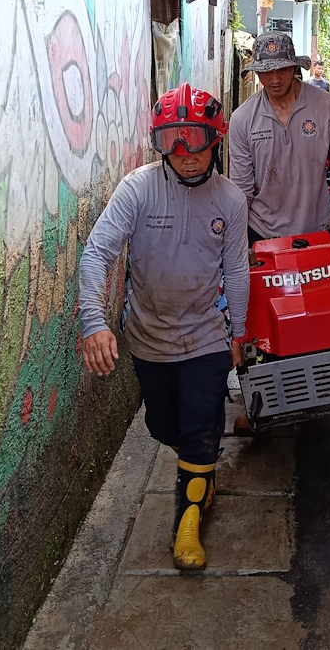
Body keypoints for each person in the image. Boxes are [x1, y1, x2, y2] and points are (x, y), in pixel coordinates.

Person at [78, 84, 249, 570]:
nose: (185, 151)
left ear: (215, 140)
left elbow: (236, 270)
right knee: (162, 425)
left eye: (195, 136)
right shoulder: (137, 189)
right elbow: (97, 253)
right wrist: (94, 321)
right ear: (159, 141)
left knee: (201, 428)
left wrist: (239, 333)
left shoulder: (231, 201)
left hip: (207, 336)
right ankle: (199, 468)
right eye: (172, 137)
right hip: (148, 338)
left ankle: (187, 522)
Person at [229, 32, 330, 245]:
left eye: (282, 69)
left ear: (293, 67)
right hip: (262, 234)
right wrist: (235, 245)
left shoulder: (329, 108)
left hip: (317, 232)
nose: (274, 79)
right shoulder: (242, 119)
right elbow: (241, 190)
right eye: (266, 71)